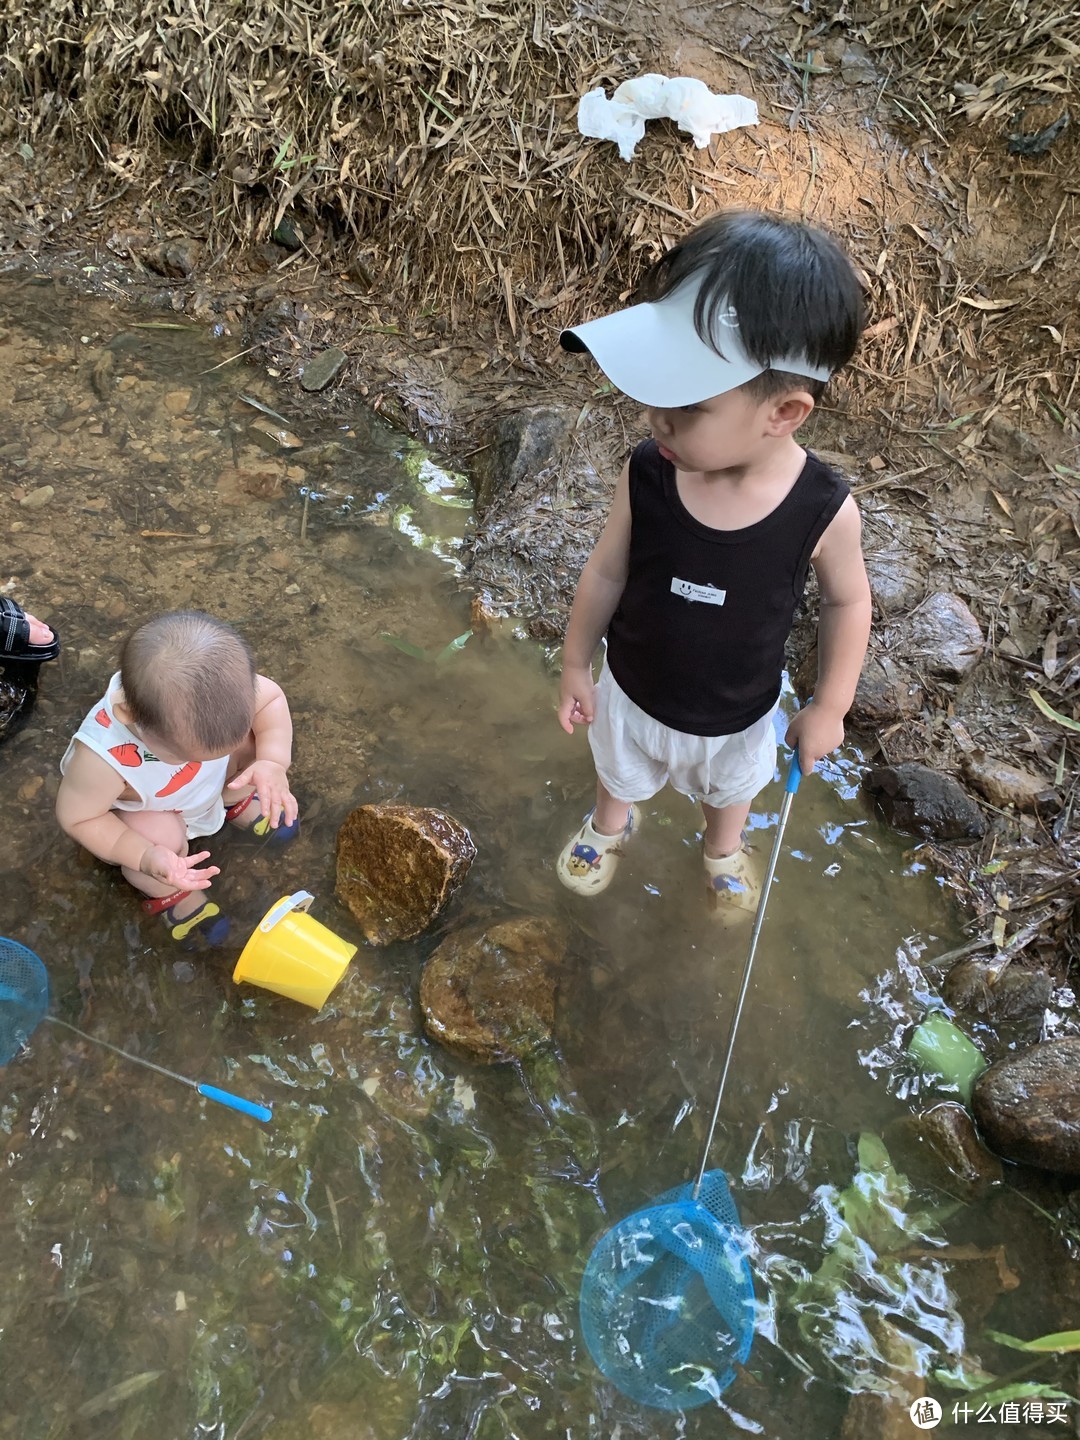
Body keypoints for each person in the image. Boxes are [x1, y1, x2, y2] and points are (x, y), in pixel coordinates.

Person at [554, 209, 872, 917]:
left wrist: (830, 706)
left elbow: (849, 603)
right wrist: (577, 661)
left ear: (784, 412)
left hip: (737, 716)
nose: (656, 417)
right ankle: (612, 823)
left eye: (686, 404)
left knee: (731, 793)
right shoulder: (648, 472)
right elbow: (607, 570)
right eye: (654, 391)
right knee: (619, 770)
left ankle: (723, 849)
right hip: (633, 692)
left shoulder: (821, 510)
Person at [56, 610, 299, 944]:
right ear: (129, 715)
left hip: (201, 788)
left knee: (258, 741)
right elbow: (79, 819)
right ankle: (170, 888)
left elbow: (271, 699)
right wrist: (143, 854)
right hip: (152, 810)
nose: (208, 758)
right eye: (191, 754)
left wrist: (271, 762)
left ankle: (231, 802)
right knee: (160, 840)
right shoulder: (102, 761)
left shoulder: (222, 693)